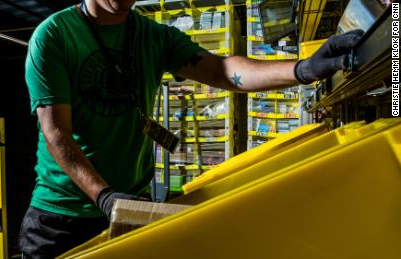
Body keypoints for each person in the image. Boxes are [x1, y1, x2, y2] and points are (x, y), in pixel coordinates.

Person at [19, 0, 363, 257]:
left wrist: (303, 70)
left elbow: (222, 71)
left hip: (127, 209)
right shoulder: (53, 36)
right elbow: (56, 133)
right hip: (61, 218)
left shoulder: (151, 35)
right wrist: (104, 196)